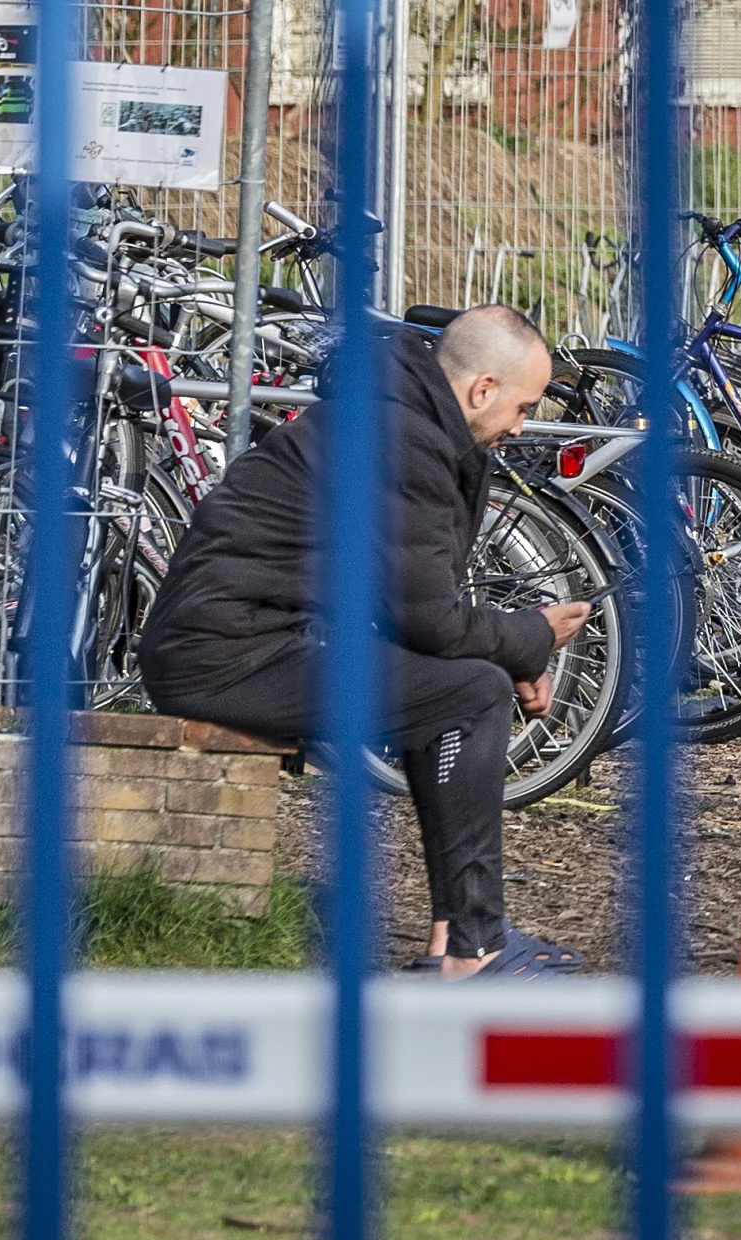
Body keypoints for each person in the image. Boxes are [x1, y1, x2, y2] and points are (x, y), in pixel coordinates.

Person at [142, 305, 594, 976]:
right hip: (226, 656)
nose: (524, 426)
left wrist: (514, 648)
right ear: (482, 390)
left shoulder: (402, 418)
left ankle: (456, 937)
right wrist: (528, 637)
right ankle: (477, 947)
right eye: (523, 407)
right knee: (472, 694)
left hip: (256, 639)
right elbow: (430, 619)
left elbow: (410, 607)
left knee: (455, 690)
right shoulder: (401, 437)